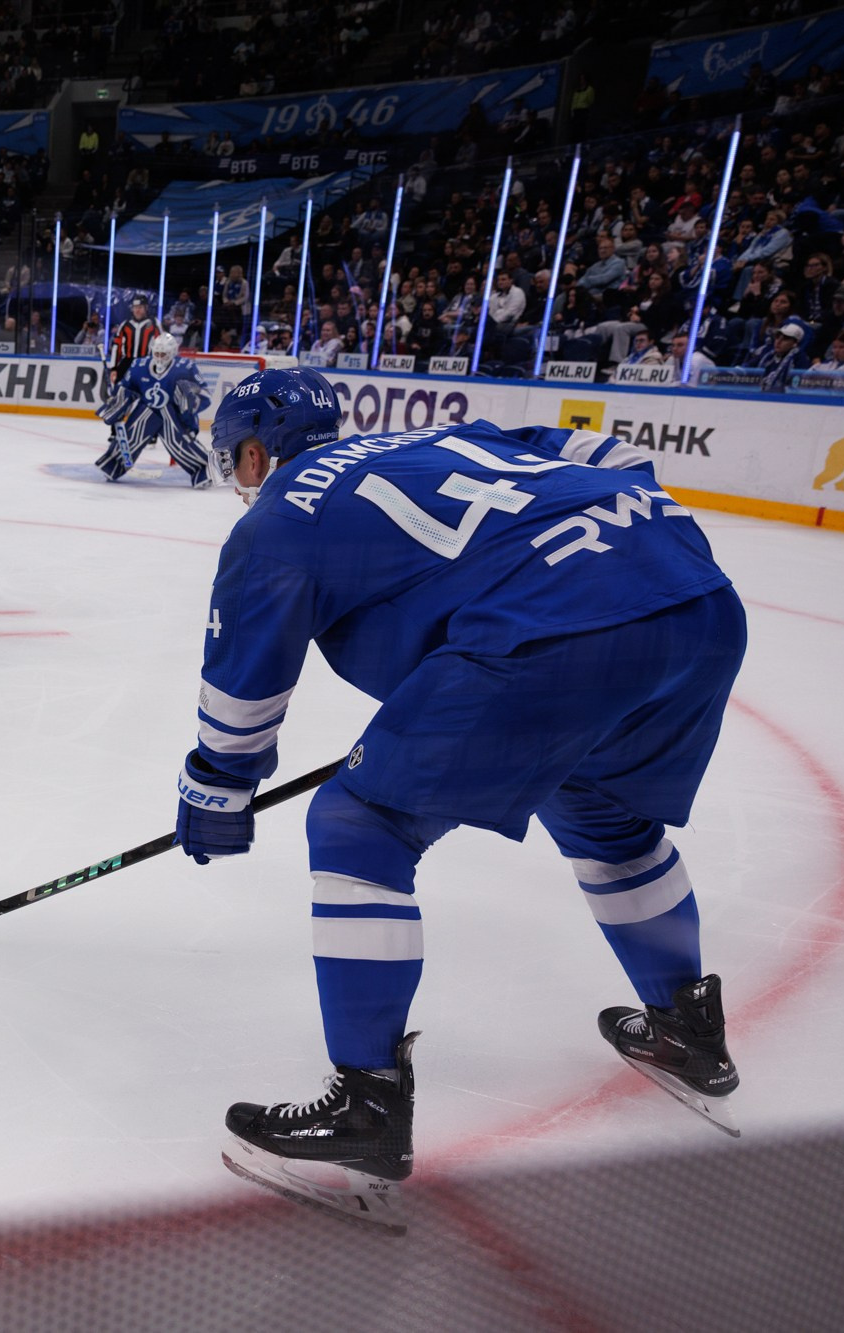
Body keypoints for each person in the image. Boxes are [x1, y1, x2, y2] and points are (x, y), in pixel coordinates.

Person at [182, 368, 745, 1226]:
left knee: (358, 822)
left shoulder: (278, 518)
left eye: (238, 459)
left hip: (557, 629)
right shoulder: (437, 434)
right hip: (692, 589)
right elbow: (608, 453)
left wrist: (214, 794)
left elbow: (242, 695)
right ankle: (687, 1029)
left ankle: (365, 1106)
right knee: (601, 808)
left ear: (256, 452)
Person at [94, 334, 225, 488]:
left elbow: (204, 395)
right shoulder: (139, 366)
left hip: (176, 415)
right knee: (133, 434)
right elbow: (126, 388)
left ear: (173, 353)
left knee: (178, 442)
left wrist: (189, 400)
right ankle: (114, 464)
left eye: (164, 354)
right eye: (157, 353)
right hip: (147, 410)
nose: (160, 357)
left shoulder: (185, 367)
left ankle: (204, 470)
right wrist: (118, 399)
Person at [108, 295, 157, 391]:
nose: (137, 310)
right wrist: (114, 368)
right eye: (135, 308)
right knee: (119, 388)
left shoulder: (154, 323)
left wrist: (158, 365)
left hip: (146, 363)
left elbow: (161, 344)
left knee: (145, 389)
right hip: (127, 361)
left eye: (140, 308)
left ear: (146, 308)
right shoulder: (125, 325)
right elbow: (116, 347)